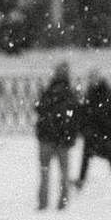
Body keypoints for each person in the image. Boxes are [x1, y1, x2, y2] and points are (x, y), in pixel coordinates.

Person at [34, 61, 81, 210]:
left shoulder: (48, 92)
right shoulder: (70, 95)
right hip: (63, 139)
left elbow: (40, 110)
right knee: (64, 173)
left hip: (47, 137)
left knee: (45, 173)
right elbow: (73, 116)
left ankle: (43, 202)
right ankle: (63, 201)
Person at [75, 71, 111, 183]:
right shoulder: (92, 94)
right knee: (89, 154)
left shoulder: (108, 94)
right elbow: (84, 112)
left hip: (105, 131)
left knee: (108, 155)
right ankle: (82, 179)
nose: (92, 82)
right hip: (95, 131)